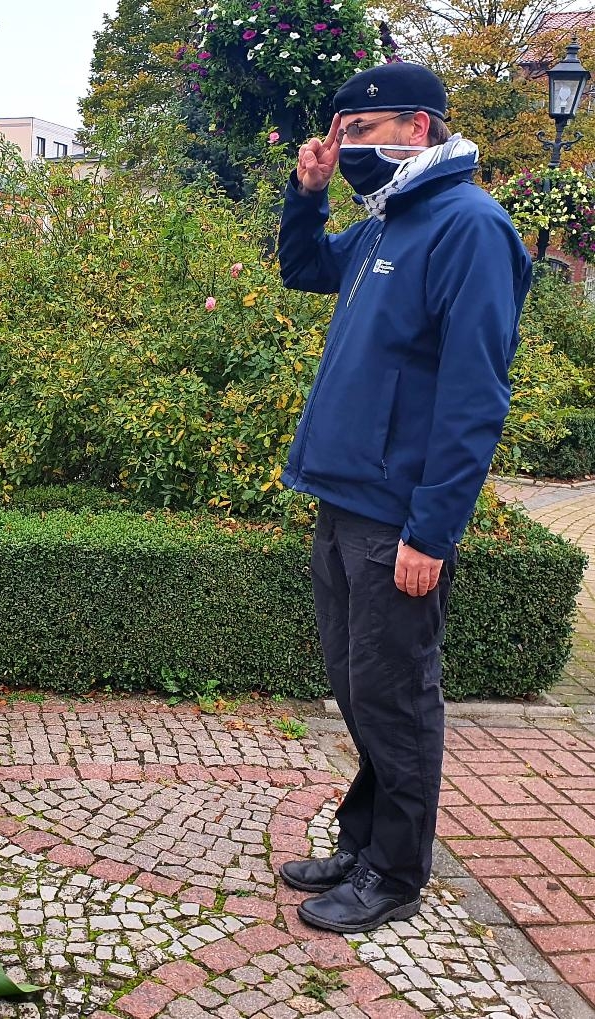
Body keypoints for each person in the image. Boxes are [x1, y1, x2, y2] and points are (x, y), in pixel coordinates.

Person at [275, 63, 532, 933]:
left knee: (397, 693)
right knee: (358, 686)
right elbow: (304, 268)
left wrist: (433, 529)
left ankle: (395, 871)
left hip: (399, 519)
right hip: (344, 498)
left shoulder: (469, 227)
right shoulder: (391, 219)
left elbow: (474, 397)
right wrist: (308, 194)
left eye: (361, 130)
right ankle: (362, 839)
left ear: (418, 127)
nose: (346, 147)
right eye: (338, 132)